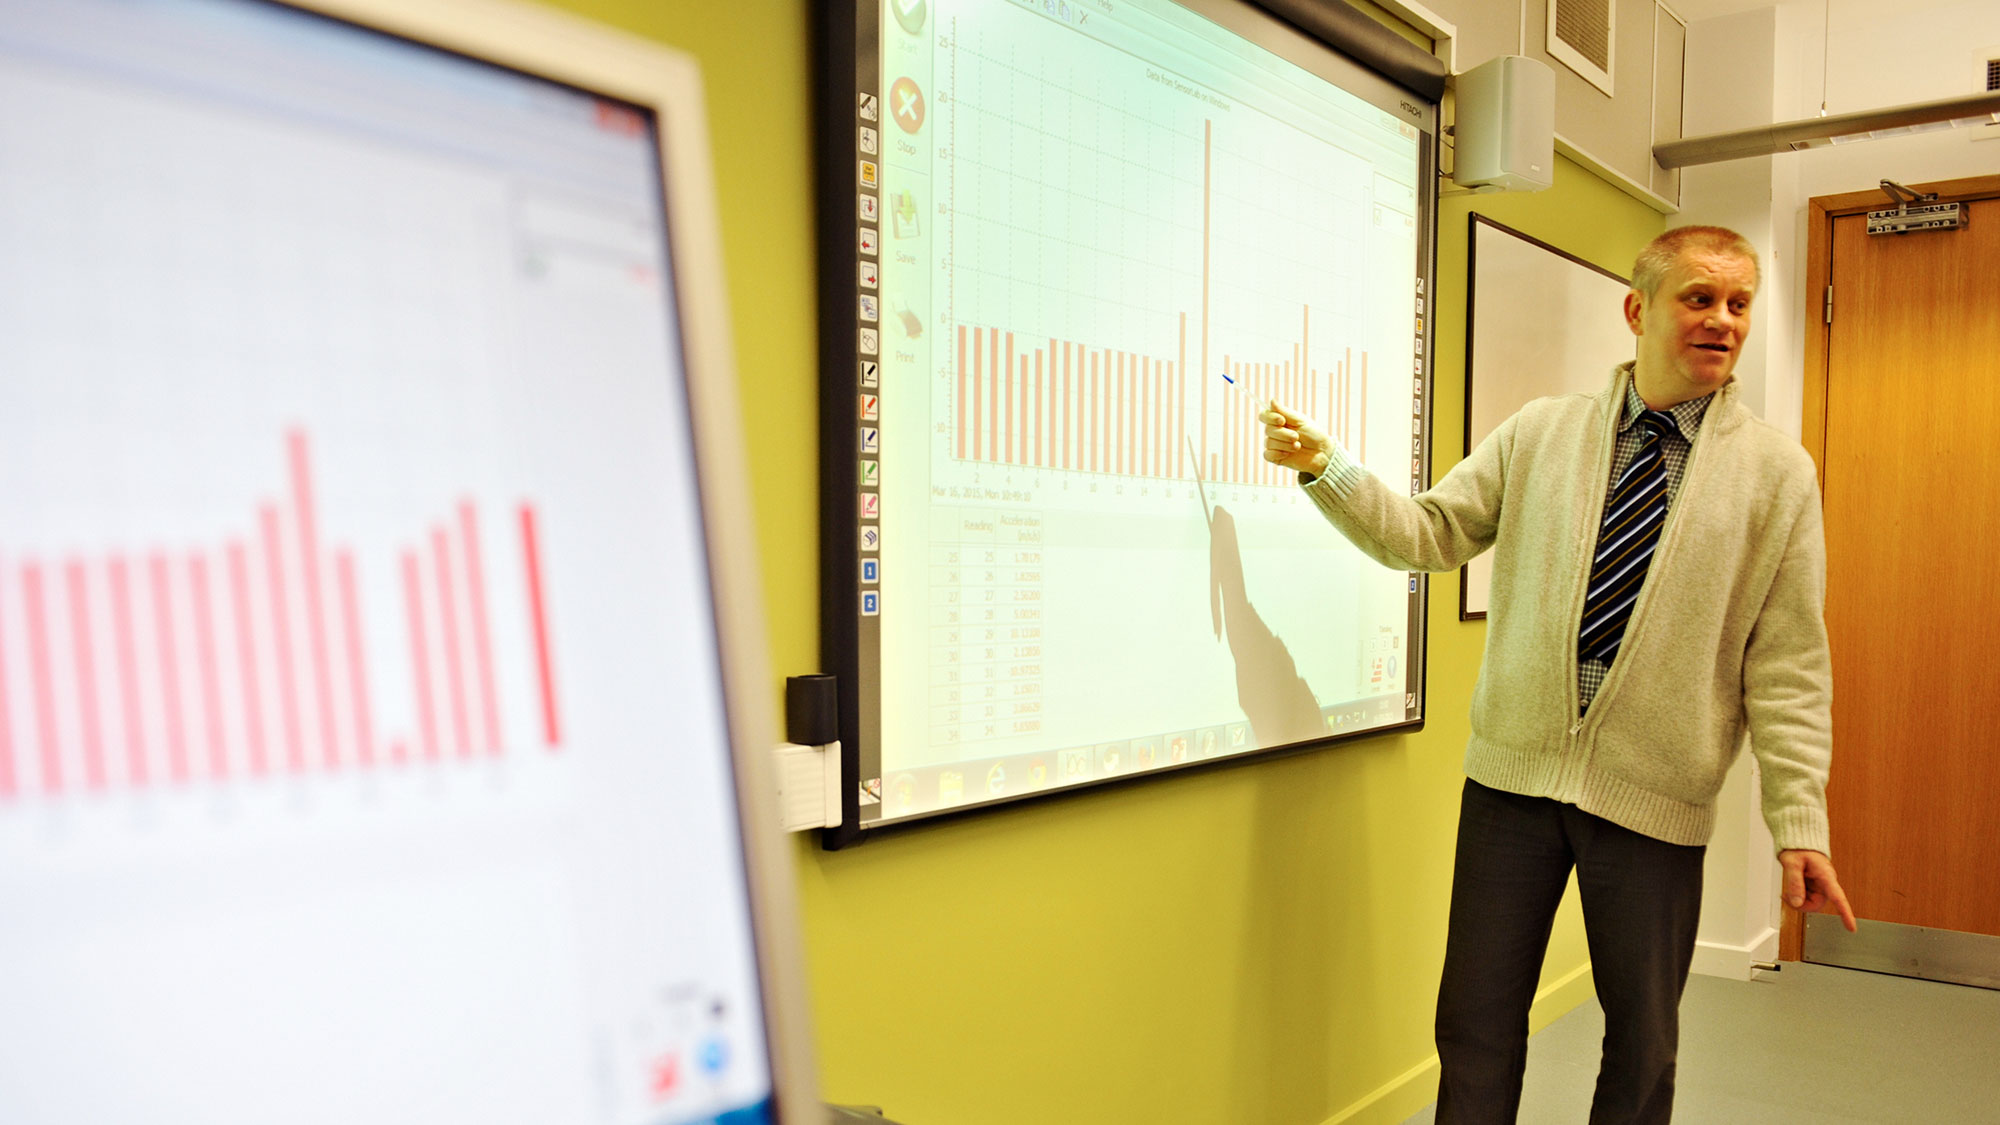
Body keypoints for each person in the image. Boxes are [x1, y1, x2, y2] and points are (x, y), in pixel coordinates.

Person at [1259, 225, 1857, 1124]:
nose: (1722, 321)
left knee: (1645, 1040)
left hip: (1656, 799)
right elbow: (1429, 534)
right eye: (1699, 298)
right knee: (1476, 1022)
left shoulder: (1778, 476)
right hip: (1512, 784)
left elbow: (1789, 665)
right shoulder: (1542, 431)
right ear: (1638, 310)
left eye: (1739, 304)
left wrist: (1797, 818)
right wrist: (1328, 470)